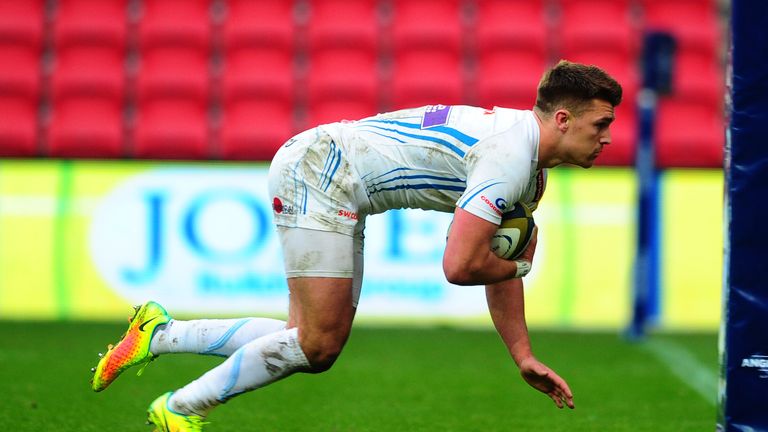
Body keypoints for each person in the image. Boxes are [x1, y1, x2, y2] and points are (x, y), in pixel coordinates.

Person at [91, 60, 622, 431]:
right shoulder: (509, 158)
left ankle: (158, 333)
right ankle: (182, 407)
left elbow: (489, 258)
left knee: (308, 339)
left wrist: (522, 353)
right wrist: (519, 269)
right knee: (318, 344)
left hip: (332, 173)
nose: (606, 138)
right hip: (319, 171)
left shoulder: (529, 172)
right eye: (600, 124)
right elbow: (461, 266)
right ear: (561, 118)